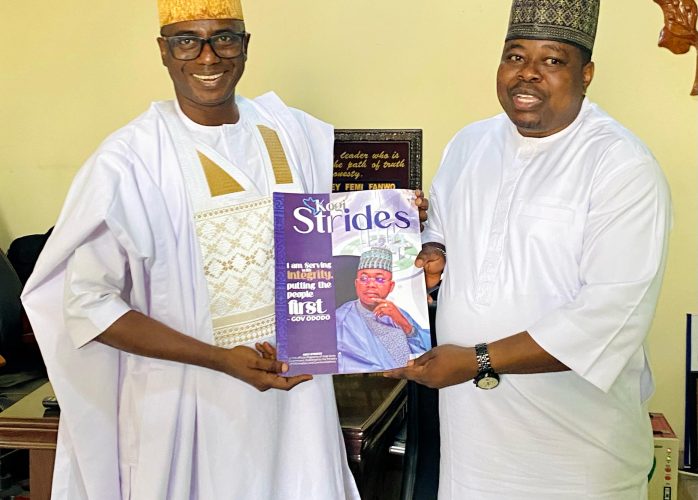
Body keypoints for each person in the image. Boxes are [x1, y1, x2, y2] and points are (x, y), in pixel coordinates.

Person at [17, 0, 431, 497]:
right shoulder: (128, 160)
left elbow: (364, 211)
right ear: (164, 51)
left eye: (224, 37)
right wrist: (218, 359)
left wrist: (404, 216)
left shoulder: (290, 130)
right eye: (187, 41)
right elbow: (88, 304)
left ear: (245, 44)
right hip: (186, 403)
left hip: (296, 402)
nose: (208, 56)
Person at [387, 1, 672, 499]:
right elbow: (442, 240)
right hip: (472, 446)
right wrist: (427, 255)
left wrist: (477, 360)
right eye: (515, 57)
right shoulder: (468, 145)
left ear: (586, 74)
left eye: (553, 60)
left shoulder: (621, 165)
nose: (529, 73)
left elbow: (609, 316)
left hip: (577, 456)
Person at [336, 247, 430, 372]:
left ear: (391, 286)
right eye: (364, 279)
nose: (370, 285)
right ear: (356, 284)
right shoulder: (340, 319)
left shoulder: (397, 312)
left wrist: (405, 325)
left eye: (379, 279)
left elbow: (427, 351)